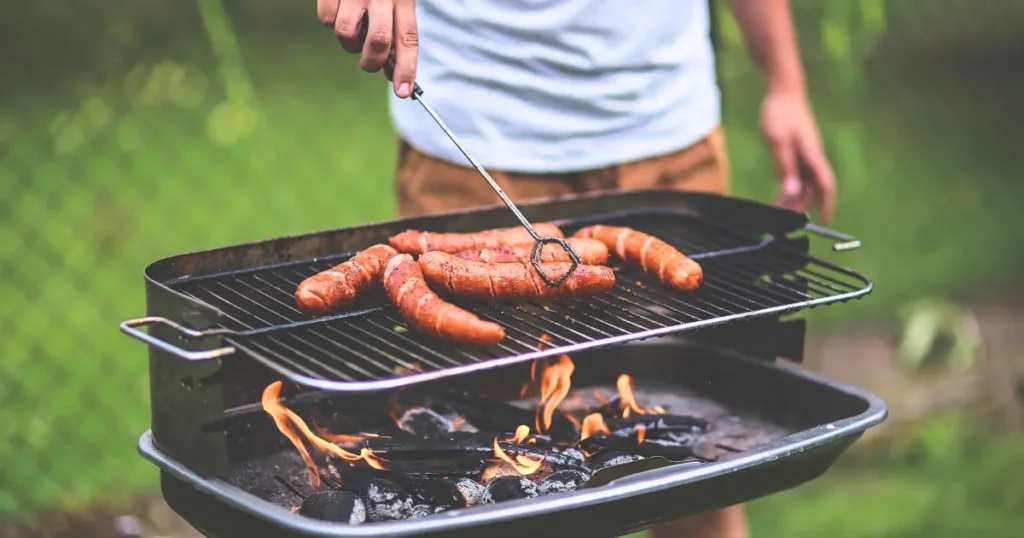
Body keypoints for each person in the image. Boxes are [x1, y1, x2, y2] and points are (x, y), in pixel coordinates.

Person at [316, 1, 836, 536]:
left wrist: (785, 84)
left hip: (668, 129)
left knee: (699, 462)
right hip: (472, 131)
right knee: (482, 467)